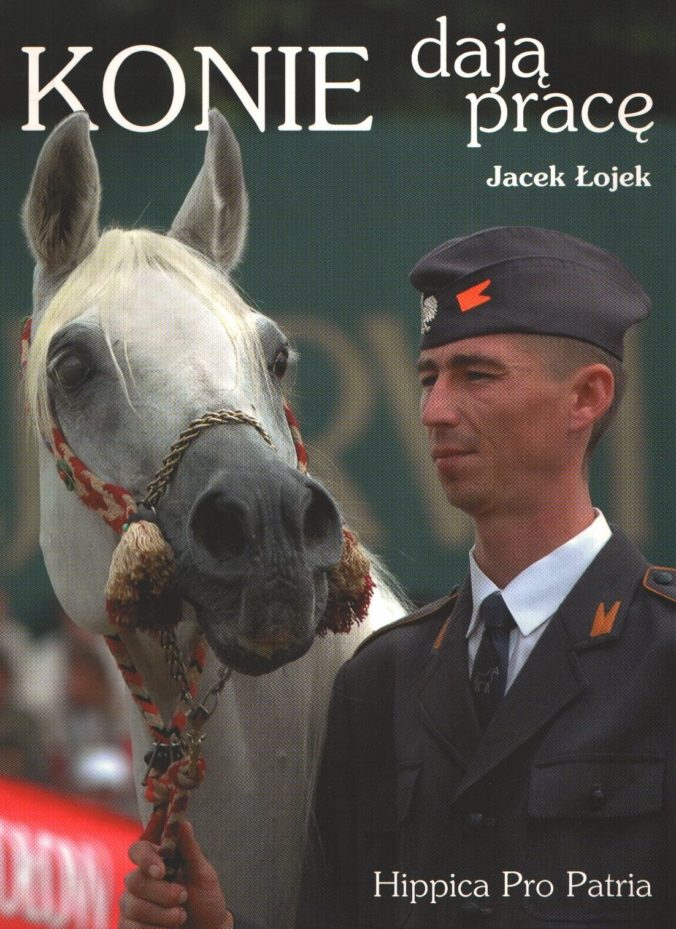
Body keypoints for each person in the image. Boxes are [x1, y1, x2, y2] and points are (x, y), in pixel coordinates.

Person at [120, 227, 676, 928]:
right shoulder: (382, 679)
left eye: (477, 376)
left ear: (586, 397)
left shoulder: (662, 653)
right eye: (428, 378)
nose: (435, 411)